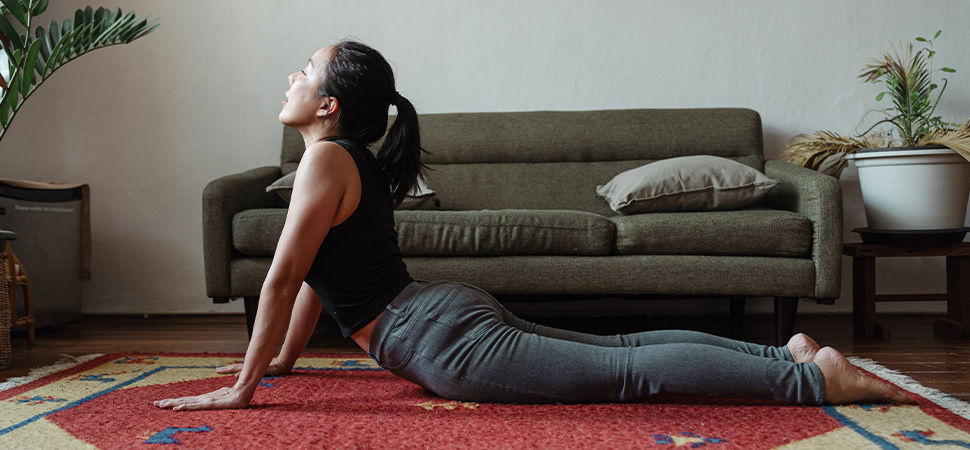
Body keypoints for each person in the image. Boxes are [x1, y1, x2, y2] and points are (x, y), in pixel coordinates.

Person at [154, 40, 914, 411]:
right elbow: (318, 278)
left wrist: (243, 390)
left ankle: (811, 381)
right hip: (440, 314)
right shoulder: (345, 158)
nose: (291, 76)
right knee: (621, 351)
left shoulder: (323, 163)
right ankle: (787, 351)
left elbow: (286, 277)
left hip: (435, 337)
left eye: (304, 70)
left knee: (627, 372)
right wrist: (283, 360)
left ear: (328, 105)